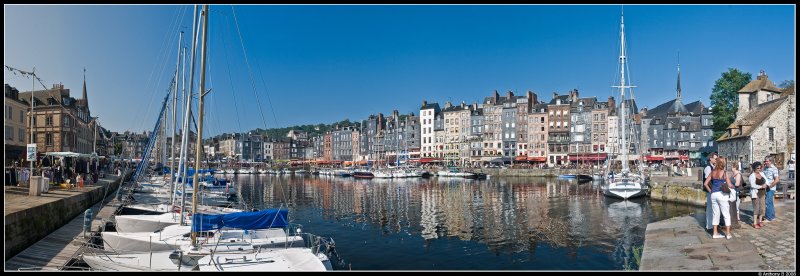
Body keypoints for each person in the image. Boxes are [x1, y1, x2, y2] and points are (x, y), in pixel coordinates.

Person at [703, 157, 733, 239]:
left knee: (715, 214)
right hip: (722, 195)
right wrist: (733, 187)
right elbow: (730, 185)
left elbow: (705, 183)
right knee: (726, 214)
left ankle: (715, 233)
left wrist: (710, 191)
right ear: (723, 163)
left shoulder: (713, 172)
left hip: (714, 194)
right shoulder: (724, 172)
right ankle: (728, 233)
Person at [749, 162, 768, 228]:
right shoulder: (752, 175)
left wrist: (766, 184)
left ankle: (760, 221)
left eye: (760, 168)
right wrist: (761, 186)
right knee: (756, 208)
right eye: (758, 168)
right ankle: (754, 223)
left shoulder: (762, 173)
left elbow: (766, 180)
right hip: (755, 194)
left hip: (762, 194)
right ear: (754, 168)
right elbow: (752, 185)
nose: (759, 169)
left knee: (762, 208)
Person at [703, 152, 719, 230]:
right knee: (710, 208)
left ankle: (712, 224)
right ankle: (709, 226)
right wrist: (711, 190)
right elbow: (708, 180)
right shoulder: (708, 167)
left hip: (713, 190)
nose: (716, 160)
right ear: (711, 159)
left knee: (713, 208)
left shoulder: (712, 167)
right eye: (715, 158)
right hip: (710, 191)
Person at [729, 164, 742, 228]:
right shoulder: (733, 174)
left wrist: (731, 185)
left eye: (732, 167)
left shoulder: (738, 174)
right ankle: (736, 217)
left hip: (736, 191)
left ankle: (737, 218)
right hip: (733, 191)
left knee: (736, 205)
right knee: (734, 205)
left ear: (734, 167)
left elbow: (737, 184)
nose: (731, 168)